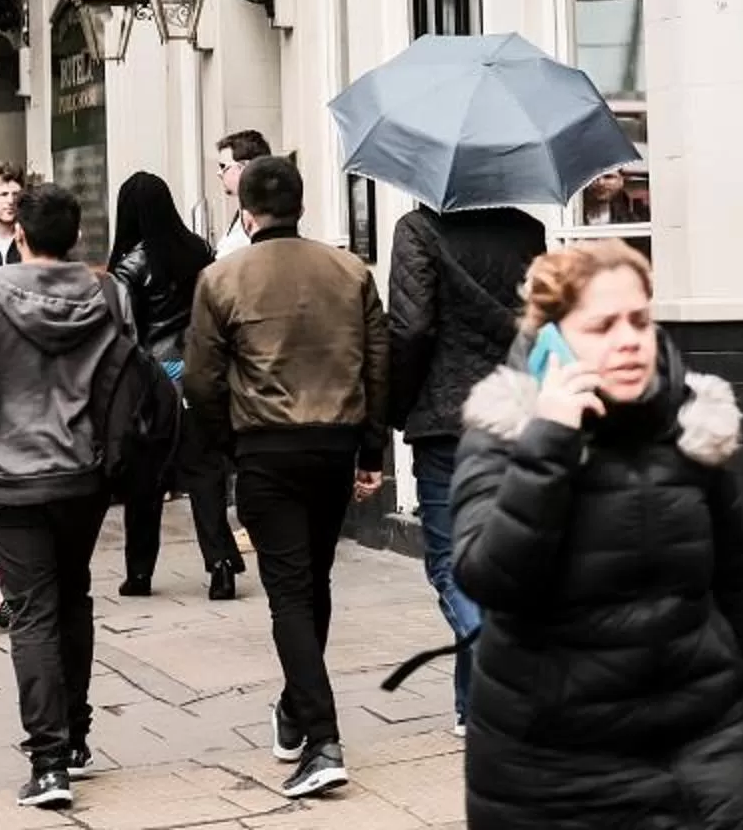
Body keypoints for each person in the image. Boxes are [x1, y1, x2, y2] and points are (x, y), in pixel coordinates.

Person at [451, 240, 743, 829]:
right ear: (551, 339)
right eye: (601, 326)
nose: (628, 340)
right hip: (556, 772)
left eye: (640, 320)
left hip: (700, 757)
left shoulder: (691, 431)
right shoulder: (506, 435)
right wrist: (549, 444)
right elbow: (491, 577)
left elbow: (741, 589)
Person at [182, 155, 387, 799]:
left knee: (289, 593)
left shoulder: (221, 278)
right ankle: (297, 712)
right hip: (333, 443)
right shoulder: (350, 269)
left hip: (265, 446)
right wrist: (371, 451)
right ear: (301, 204)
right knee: (310, 580)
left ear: (246, 211)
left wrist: (227, 448)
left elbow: (201, 381)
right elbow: (379, 367)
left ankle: (322, 738)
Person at [0, 181, 131, 810]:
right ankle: (75, 734)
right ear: (75, 236)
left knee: (32, 613)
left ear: (18, 232)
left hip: (9, 477)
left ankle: (48, 761)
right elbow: (120, 384)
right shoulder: (107, 292)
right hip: (84, 474)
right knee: (72, 594)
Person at [385, 197, 546, 734]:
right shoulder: (527, 231)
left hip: (449, 424)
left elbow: (410, 329)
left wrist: (396, 406)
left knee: (451, 566)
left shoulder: (418, 230)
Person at [108, 171, 244, 600]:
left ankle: (140, 573)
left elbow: (125, 331)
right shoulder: (197, 250)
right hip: (196, 372)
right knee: (204, 473)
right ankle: (221, 564)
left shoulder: (130, 264)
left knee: (144, 482)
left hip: (152, 380)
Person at [203, 129, 275, 255]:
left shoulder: (264, 215)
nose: (219, 173)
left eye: (223, 166)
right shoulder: (244, 210)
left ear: (245, 167)